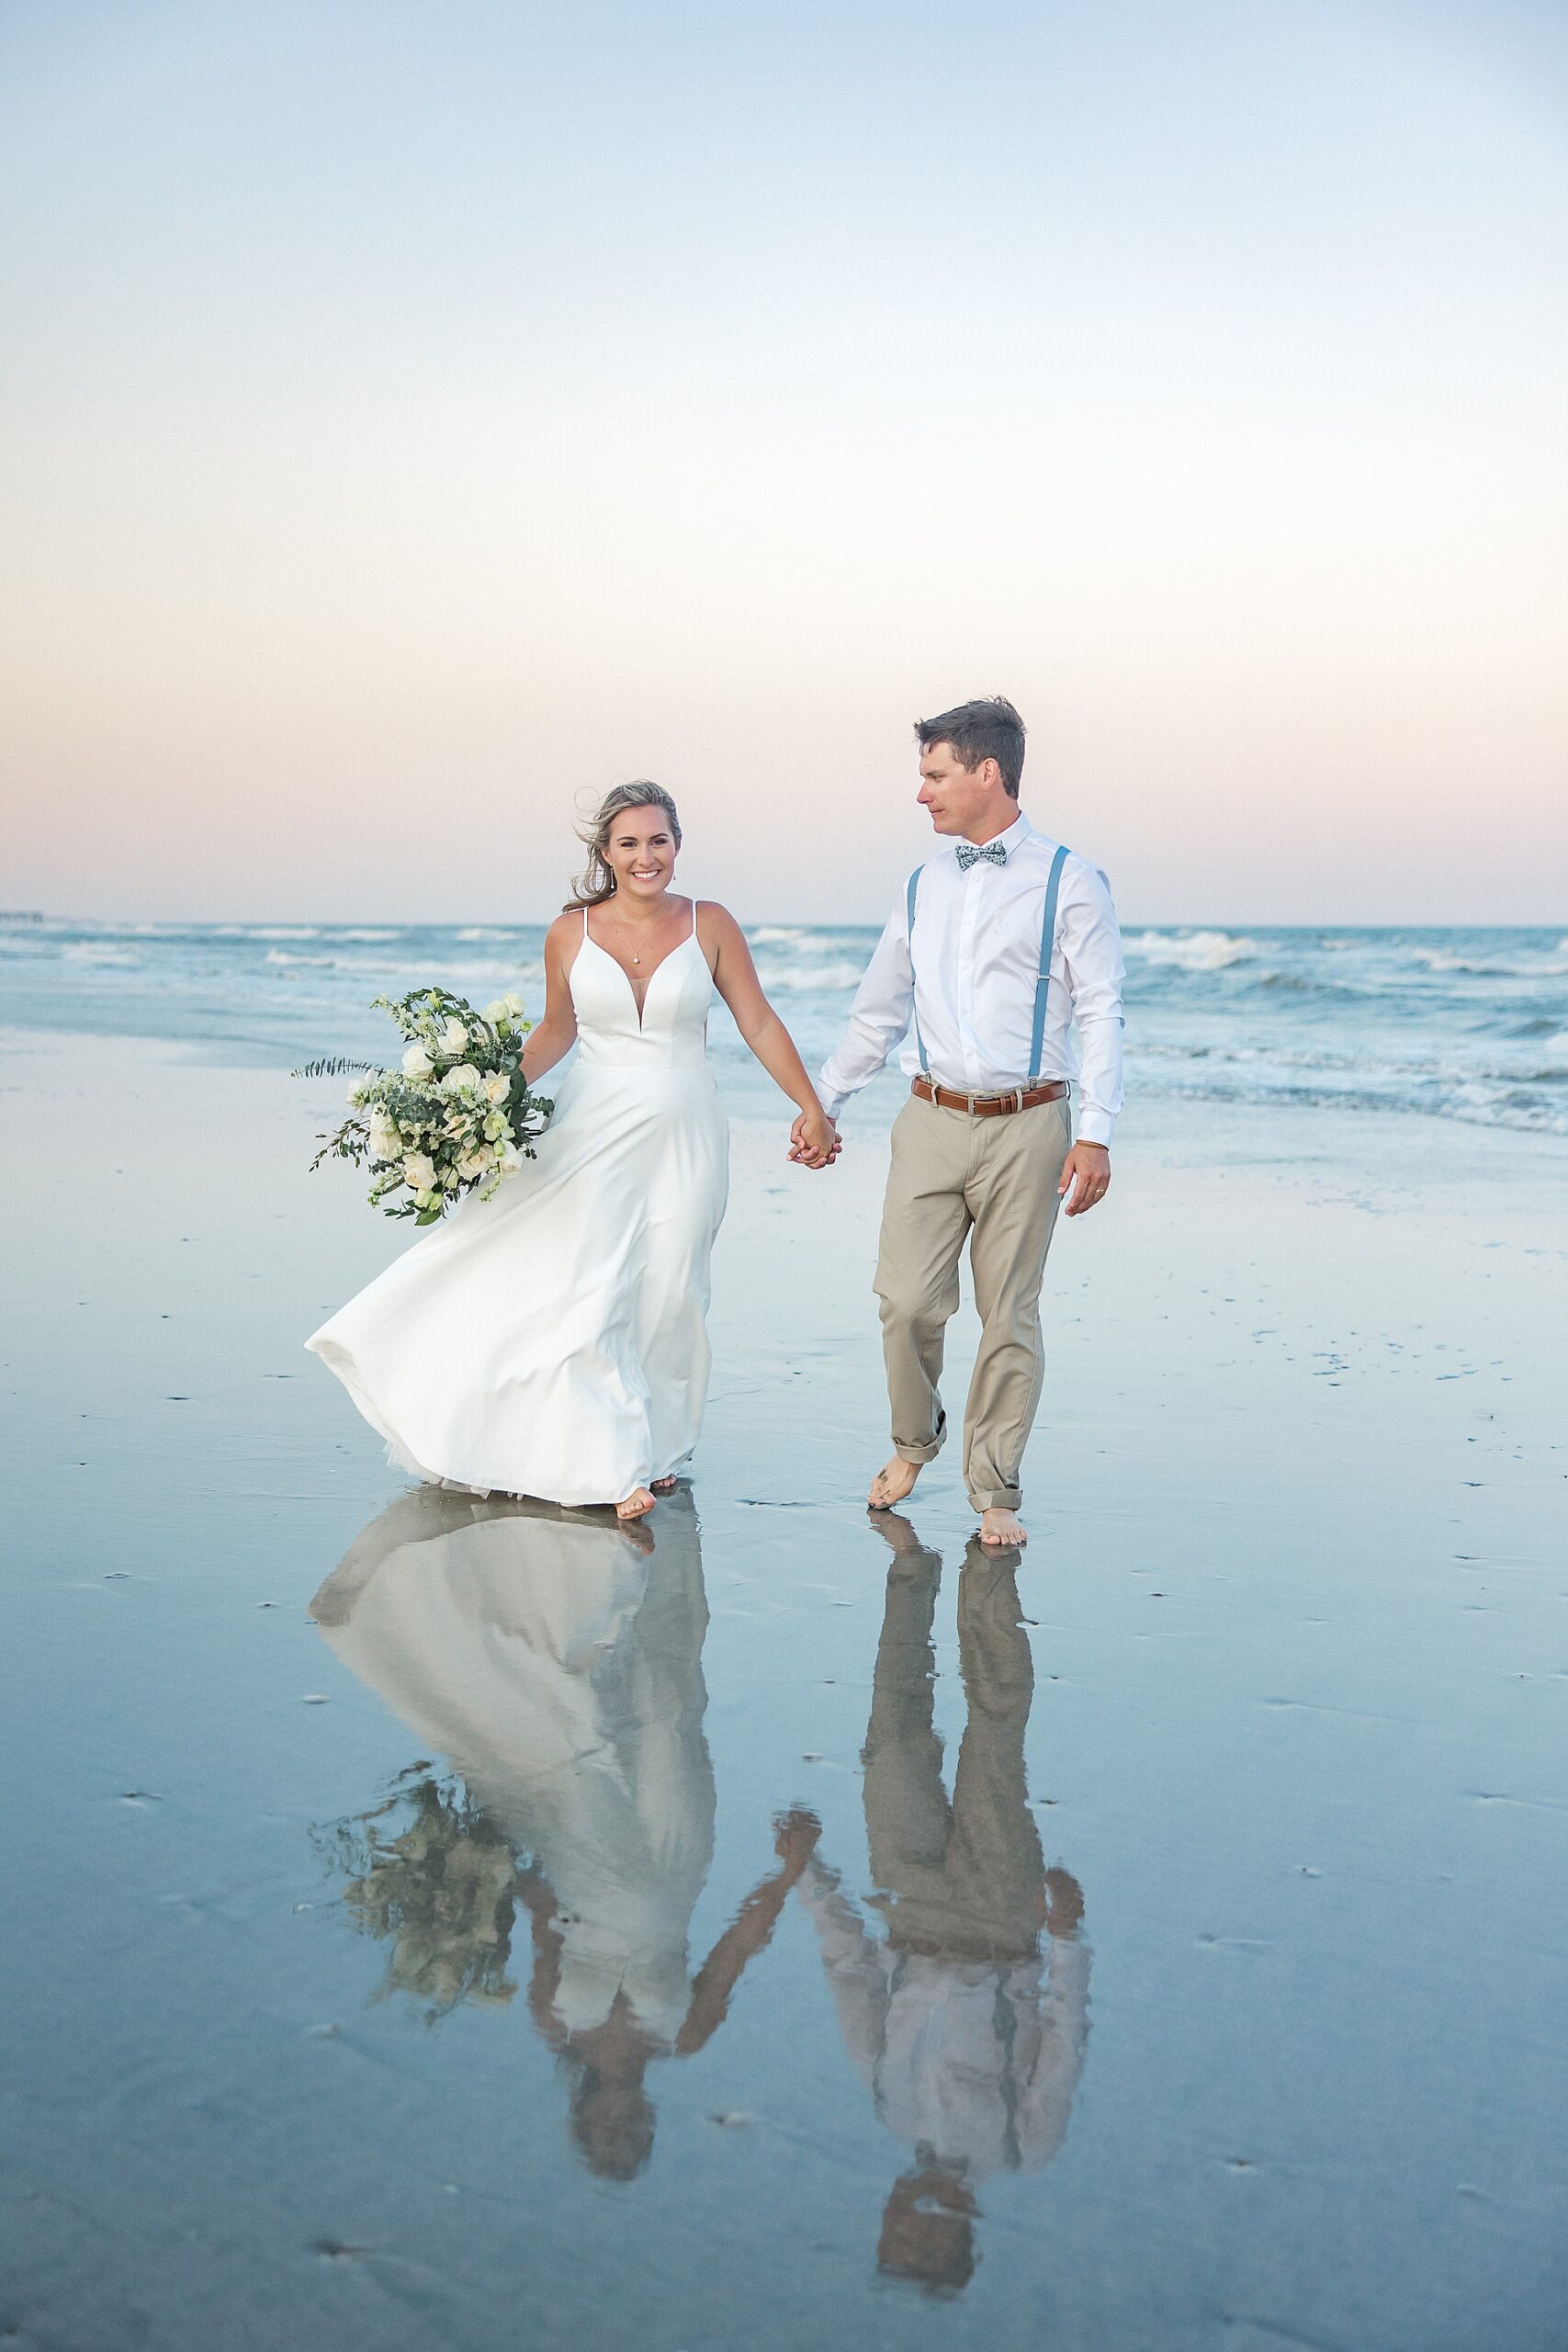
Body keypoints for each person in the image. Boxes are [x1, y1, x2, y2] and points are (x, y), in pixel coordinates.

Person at [309, 783, 838, 1518]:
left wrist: (810, 1106)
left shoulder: (709, 924)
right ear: (605, 854)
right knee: (597, 1284)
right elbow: (555, 1032)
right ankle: (609, 1462)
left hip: (687, 1124)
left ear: (677, 846)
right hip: (593, 1123)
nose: (645, 856)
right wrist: (479, 1100)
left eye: (658, 841)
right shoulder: (570, 932)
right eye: (628, 843)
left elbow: (758, 1021)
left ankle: (659, 1451)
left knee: (674, 1288)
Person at [310, 1483, 821, 2178]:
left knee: (588, 1743)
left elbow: (543, 1920)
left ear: (582, 2116)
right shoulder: (685, 2035)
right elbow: (735, 1950)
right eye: (631, 2135)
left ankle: (593, 1578)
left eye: (607, 2133)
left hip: (587, 1870)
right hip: (675, 1870)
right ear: (647, 2122)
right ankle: (651, 1563)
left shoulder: (556, 2026)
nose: (622, 2123)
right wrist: (787, 1872)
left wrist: (495, 1847)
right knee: (669, 1715)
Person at [796, 696, 1125, 1545]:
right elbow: (878, 1010)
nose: (921, 795)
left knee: (1008, 1313)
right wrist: (823, 1103)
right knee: (905, 1303)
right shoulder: (920, 884)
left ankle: (995, 1489)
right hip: (931, 1118)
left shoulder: (1071, 880)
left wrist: (1097, 1131)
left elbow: (1101, 1012)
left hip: (1031, 1124)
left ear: (988, 772)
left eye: (934, 775)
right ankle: (916, 1441)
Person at [794, 1513, 1089, 2294]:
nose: (907, 2216)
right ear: (959, 2237)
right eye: (920, 2237)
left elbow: (852, 1977)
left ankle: (911, 1567)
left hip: (909, 1909)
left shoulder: (888, 2107)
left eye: (895, 2230)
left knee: (889, 1739)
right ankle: (990, 1579)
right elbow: (1063, 2041)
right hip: (1000, 1922)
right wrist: (1068, 1938)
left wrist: (808, 1876)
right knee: (992, 1740)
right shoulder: (1023, 2149)